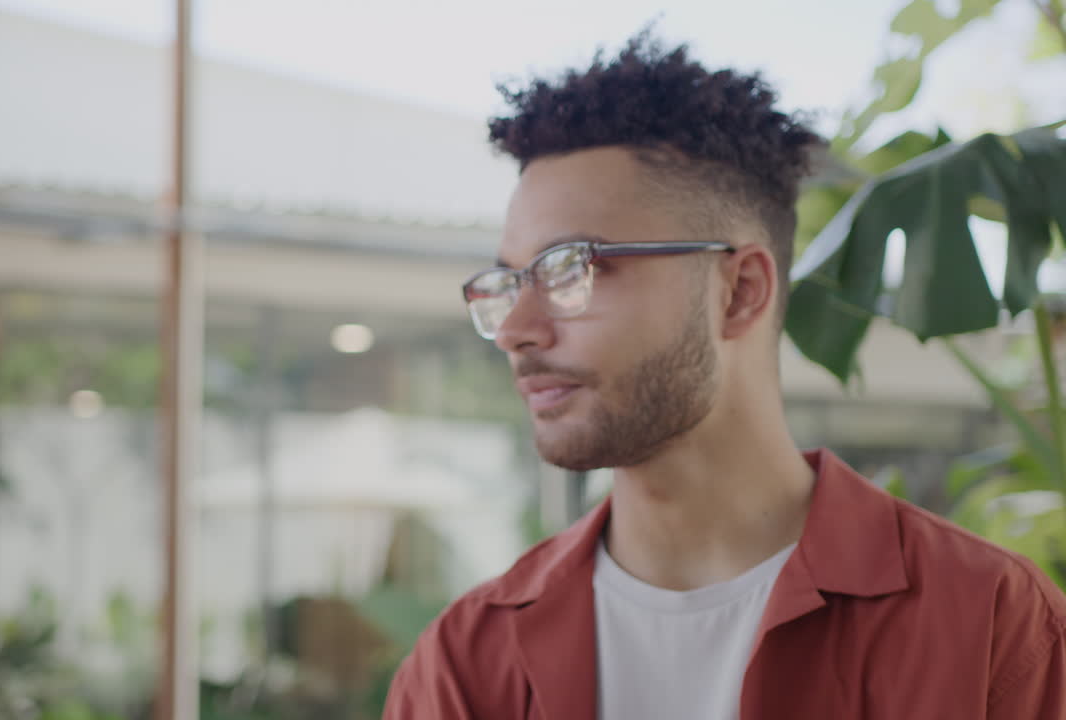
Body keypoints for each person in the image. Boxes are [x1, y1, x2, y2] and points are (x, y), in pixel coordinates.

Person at [381, 28, 1066, 720]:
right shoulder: (464, 665)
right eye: (510, 281)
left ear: (739, 292)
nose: (515, 330)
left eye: (571, 269)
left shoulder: (990, 627)